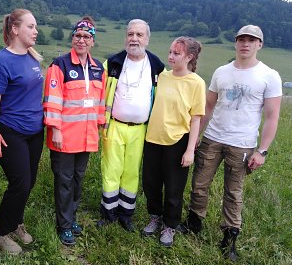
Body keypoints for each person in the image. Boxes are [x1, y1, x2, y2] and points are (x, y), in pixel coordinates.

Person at [180, 25, 282, 260]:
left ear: (260, 45)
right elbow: (208, 106)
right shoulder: (221, 72)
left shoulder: (269, 76)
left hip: (242, 143)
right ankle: (194, 223)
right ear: (235, 43)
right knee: (199, 184)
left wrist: (262, 151)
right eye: (242, 39)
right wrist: (196, 137)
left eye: (251, 40)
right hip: (213, 138)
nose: (245, 44)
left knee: (233, 192)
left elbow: (272, 117)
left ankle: (229, 237)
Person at [96, 19, 165, 232]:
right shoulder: (113, 62)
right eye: (130, 34)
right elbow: (100, 93)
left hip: (141, 129)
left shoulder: (156, 66)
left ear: (147, 38)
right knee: (111, 169)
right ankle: (108, 213)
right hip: (114, 125)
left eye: (139, 34)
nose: (134, 38)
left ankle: (126, 214)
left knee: (131, 172)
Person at [44, 16, 106, 246]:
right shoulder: (59, 65)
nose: (81, 40)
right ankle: (64, 225)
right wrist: (55, 130)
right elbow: (52, 101)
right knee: (64, 180)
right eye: (77, 36)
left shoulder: (99, 68)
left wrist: (100, 125)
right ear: (72, 38)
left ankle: (71, 218)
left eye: (86, 37)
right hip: (64, 137)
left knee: (78, 180)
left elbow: (101, 102)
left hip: (87, 137)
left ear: (92, 41)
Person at [0, 9, 44, 255]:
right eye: (30, 26)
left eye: (35, 27)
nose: (35, 31)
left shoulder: (32, 57)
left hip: (35, 130)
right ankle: (0, 233)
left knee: (28, 181)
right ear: (15, 29)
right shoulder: (0, 62)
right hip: (11, 130)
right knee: (19, 182)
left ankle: (16, 223)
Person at [141, 37, 206, 247]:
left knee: (173, 188)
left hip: (178, 140)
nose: (170, 56)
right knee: (151, 183)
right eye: (170, 52)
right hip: (153, 138)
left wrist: (190, 150)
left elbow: (196, 118)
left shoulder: (196, 83)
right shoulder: (163, 77)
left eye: (176, 54)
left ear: (189, 57)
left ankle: (170, 225)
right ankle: (155, 216)